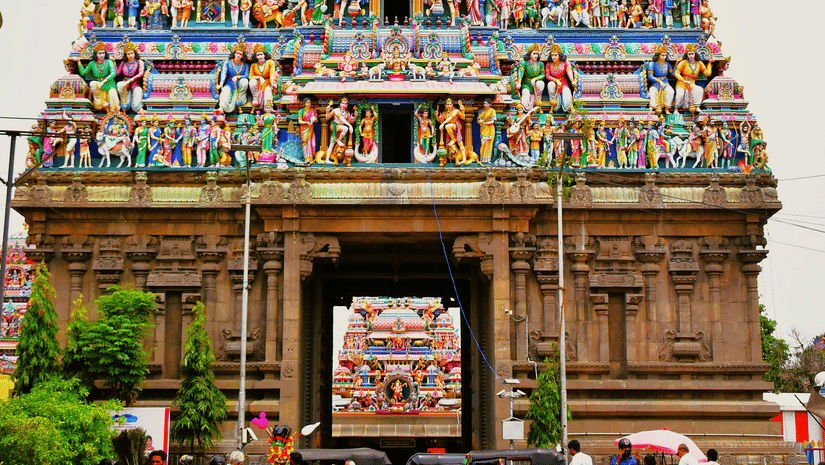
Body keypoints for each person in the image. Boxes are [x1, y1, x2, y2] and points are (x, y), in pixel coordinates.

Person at [78, 42, 120, 112]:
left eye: (103, 53)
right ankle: (101, 103)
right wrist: (78, 62)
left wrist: (103, 81)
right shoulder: (92, 63)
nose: (101, 55)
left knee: (112, 94)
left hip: (109, 84)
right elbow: (83, 73)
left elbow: (113, 73)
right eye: (99, 53)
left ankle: (114, 112)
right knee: (92, 84)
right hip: (99, 85)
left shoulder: (109, 62)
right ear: (96, 54)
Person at [673, 44, 712, 115]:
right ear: (687, 55)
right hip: (682, 82)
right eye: (689, 54)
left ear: (695, 54)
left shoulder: (699, 63)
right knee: (680, 93)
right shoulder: (683, 62)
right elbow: (676, 73)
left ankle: (697, 106)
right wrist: (683, 80)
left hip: (691, 82)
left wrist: (709, 63)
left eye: (692, 54)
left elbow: (708, 73)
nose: (691, 56)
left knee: (699, 90)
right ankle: (676, 109)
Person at [511, 43, 546, 111]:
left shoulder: (540, 64)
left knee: (541, 83)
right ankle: (524, 110)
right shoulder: (525, 63)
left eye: (537, 54)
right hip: (526, 85)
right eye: (534, 54)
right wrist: (519, 82)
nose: (536, 56)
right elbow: (521, 72)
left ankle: (537, 103)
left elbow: (543, 75)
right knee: (525, 96)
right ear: (530, 55)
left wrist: (535, 79)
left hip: (536, 85)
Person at [544, 43, 577, 113]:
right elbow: (547, 75)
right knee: (550, 85)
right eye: (552, 55)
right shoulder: (549, 64)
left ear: (559, 55)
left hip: (563, 82)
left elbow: (569, 71)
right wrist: (555, 80)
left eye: (555, 55)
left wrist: (572, 81)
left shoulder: (565, 63)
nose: (554, 57)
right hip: (554, 82)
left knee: (566, 91)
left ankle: (569, 107)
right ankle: (554, 105)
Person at [217, 45, 250, 114]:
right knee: (225, 91)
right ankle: (221, 108)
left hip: (239, 84)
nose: (238, 55)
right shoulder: (228, 62)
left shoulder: (245, 65)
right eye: (237, 53)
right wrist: (221, 83)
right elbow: (224, 73)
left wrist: (238, 77)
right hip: (229, 83)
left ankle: (239, 101)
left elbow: (247, 75)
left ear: (242, 56)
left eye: (240, 54)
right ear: (234, 54)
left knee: (245, 82)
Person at [117, 42, 145, 112]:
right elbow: (117, 73)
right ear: (126, 55)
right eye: (128, 54)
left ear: (134, 53)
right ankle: (124, 105)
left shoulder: (139, 62)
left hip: (135, 83)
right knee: (119, 85)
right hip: (125, 84)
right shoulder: (123, 63)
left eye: (132, 53)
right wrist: (113, 63)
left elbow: (141, 73)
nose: (130, 56)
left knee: (138, 90)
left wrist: (130, 80)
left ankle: (139, 108)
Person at [646, 45, 674, 114]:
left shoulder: (667, 64)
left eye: (665, 55)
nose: (664, 57)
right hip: (655, 82)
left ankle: (667, 108)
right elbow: (650, 76)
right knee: (653, 90)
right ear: (658, 55)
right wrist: (658, 81)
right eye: (662, 55)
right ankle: (652, 107)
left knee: (670, 91)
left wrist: (676, 64)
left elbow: (672, 74)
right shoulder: (652, 64)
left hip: (665, 82)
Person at [249, 44, 276, 110]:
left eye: (261, 54)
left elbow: (272, 73)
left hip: (267, 82)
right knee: (252, 82)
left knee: (267, 91)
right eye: (258, 55)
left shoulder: (270, 62)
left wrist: (272, 83)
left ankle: (268, 109)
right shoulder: (253, 65)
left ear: (264, 55)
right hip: (258, 84)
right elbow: (250, 76)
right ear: (256, 57)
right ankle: (256, 101)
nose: (260, 56)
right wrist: (258, 77)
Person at [477, 99, 496, 163]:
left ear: (490, 104)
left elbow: (493, 121)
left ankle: (488, 159)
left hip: (489, 128)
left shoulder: (492, 111)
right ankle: (482, 158)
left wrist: (485, 123)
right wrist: (480, 122)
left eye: (486, 104)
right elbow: (478, 119)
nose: (485, 105)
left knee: (488, 144)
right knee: (483, 143)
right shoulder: (481, 111)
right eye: (484, 103)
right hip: (483, 129)